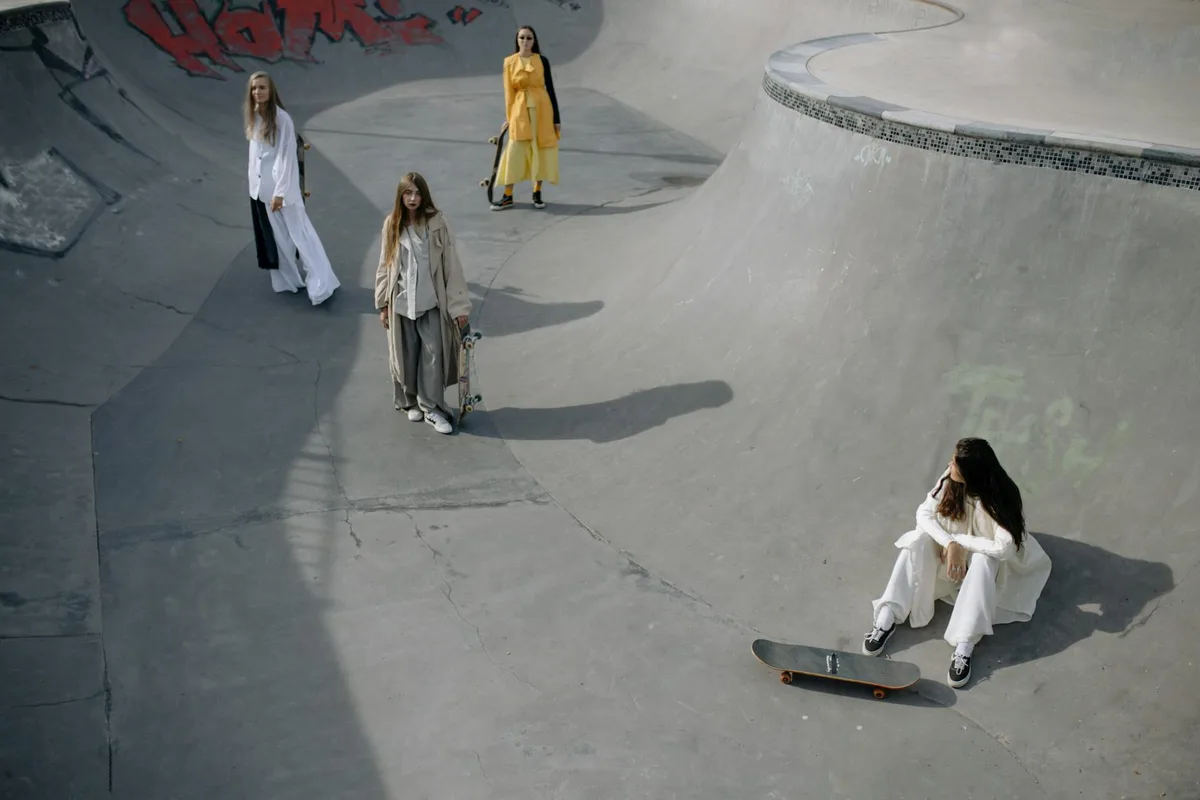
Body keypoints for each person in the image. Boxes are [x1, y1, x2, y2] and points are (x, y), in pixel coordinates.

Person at [862, 438, 1052, 688]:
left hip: (989, 564)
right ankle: (887, 615)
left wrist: (961, 543)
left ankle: (965, 643)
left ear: (971, 474)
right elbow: (923, 513)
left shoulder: (1001, 496)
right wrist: (950, 544)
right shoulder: (949, 479)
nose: (949, 464)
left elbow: (1004, 547)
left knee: (986, 560)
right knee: (917, 539)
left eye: (955, 463)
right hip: (949, 557)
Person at [374, 172, 471, 435]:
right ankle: (409, 402)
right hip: (402, 303)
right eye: (408, 193)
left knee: (432, 356)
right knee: (405, 355)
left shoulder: (438, 224)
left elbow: (451, 265)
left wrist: (459, 306)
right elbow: (385, 264)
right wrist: (383, 303)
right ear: (401, 196)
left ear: (424, 195)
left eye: (417, 193)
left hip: (430, 302)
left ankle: (432, 408)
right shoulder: (392, 224)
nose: (413, 198)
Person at [245, 70, 340, 305]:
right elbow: (255, 156)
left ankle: (322, 283)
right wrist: (255, 187)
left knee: (301, 235)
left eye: (262, 87)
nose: (258, 92)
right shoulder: (255, 116)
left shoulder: (282, 119)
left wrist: (280, 193)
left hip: (282, 192)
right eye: (254, 88)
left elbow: (286, 157)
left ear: (271, 90)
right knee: (279, 239)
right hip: (262, 190)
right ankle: (288, 280)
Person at [491, 25, 561, 211]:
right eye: (522, 37)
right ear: (517, 40)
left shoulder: (542, 61)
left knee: (540, 149)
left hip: (542, 109)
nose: (525, 41)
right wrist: (509, 117)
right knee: (515, 150)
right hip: (520, 109)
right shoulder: (509, 62)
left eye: (529, 38)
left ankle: (537, 193)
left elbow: (551, 89)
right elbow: (509, 92)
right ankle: (507, 196)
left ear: (534, 41)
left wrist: (557, 119)